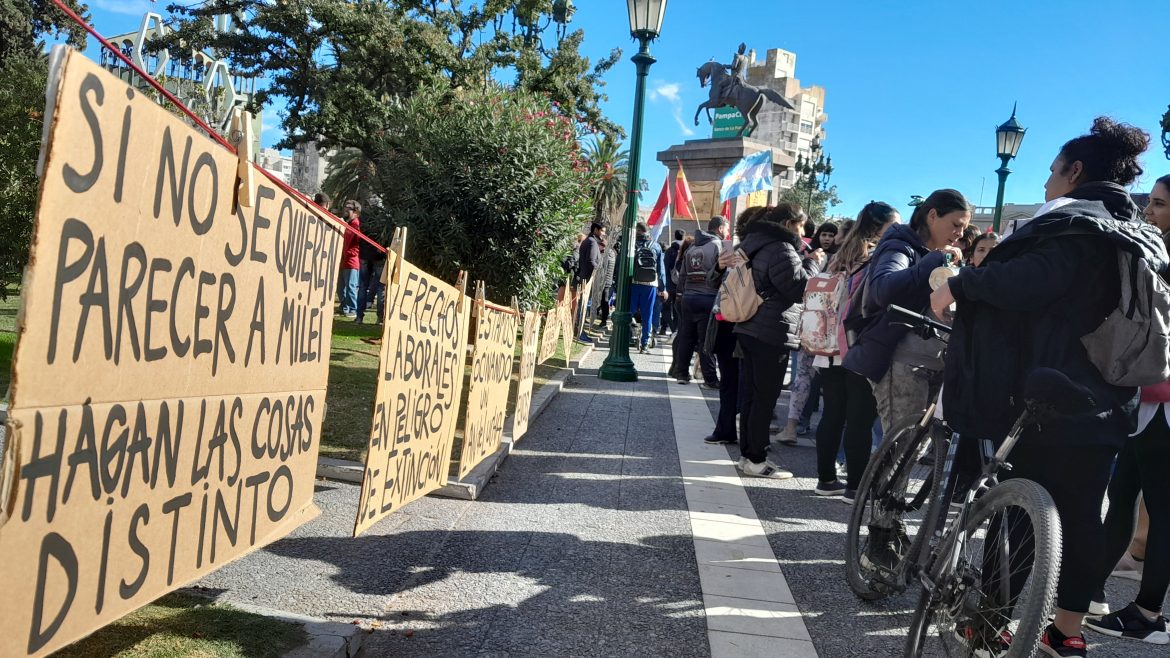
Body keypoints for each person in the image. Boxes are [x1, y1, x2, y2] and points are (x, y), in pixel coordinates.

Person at [930, 118, 1166, 657]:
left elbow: (1027, 283)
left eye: (1052, 171)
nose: (1045, 183)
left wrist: (959, 285)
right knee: (1084, 514)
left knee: (1009, 507)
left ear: (1075, 172)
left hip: (1045, 393)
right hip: (1112, 395)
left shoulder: (1074, 226)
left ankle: (987, 622)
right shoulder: (1133, 228)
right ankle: (1067, 631)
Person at [1085, 173, 1170, 645]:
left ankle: (1149, 611)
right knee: (1122, 496)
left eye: (1158, 203)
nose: (1150, 212)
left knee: (1160, 508)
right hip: (1147, 398)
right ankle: (1092, 590)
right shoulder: (1158, 253)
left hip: (1163, 401)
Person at [844, 189, 968, 435]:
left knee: (913, 450)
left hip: (930, 361)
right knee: (900, 450)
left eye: (964, 228)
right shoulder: (900, 247)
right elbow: (883, 289)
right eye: (956, 224)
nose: (960, 234)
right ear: (932, 215)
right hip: (902, 360)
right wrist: (933, 261)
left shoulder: (927, 253)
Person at [809, 202, 899, 498]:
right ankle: (855, 487)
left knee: (833, 413)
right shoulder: (877, 257)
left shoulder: (837, 255)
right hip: (858, 344)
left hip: (827, 345)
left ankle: (825, 479)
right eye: (894, 224)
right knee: (859, 418)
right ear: (881, 226)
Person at [734, 204, 824, 478]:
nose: (803, 233)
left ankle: (747, 454)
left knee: (751, 394)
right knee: (765, 397)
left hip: (748, 324)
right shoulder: (782, 248)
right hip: (771, 330)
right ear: (788, 223)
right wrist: (813, 262)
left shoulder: (752, 242)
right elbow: (798, 288)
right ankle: (757, 459)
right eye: (800, 227)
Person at [704, 207, 769, 446]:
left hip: (752, 324)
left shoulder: (769, 254)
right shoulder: (734, 251)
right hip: (725, 324)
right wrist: (721, 267)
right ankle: (725, 428)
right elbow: (713, 282)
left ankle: (752, 438)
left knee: (750, 384)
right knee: (729, 380)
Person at [671, 218, 727, 386]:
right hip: (708, 297)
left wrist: (680, 295)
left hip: (688, 298)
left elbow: (682, 274)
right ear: (720, 228)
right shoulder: (719, 246)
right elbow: (724, 274)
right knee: (706, 340)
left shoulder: (692, 248)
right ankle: (710, 378)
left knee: (686, 337)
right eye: (726, 228)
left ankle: (681, 373)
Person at [629, 222, 667, 353]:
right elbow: (660, 270)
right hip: (650, 285)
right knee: (648, 315)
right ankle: (644, 344)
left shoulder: (632, 245)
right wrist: (662, 288)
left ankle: (626, 336)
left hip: (633, 283)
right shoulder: (656, 246)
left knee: (629, 311)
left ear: (638, 231)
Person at [576, 223, 605, 343]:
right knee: (582, 307)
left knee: (581, 307)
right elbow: (592, 261)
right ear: (596, 230)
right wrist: (598, 270)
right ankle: (580, 332)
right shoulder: (592, 242)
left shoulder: (588, 240)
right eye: (602, 231)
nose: (603, 233)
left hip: (584, 278)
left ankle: (580, 331)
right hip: (587, 280)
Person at [337, 200, 363, 318]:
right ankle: (344, 307)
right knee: (340, 286)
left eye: (349, 208)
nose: (346, 210)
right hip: (344, 260)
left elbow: (351, 241)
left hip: (351, 261)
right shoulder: (348, 224)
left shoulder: (355, 224)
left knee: (350, 286)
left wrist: (347, 254)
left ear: (356, 212)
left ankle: (352, 309)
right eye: (345, 207)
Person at [355, 231, 386, 324]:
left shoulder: (364, 219)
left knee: (362, 287)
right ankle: (380, 317)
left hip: (364, 254)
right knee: (380, 287)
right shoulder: (386, 217)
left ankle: (359, 317)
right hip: (379, 255)